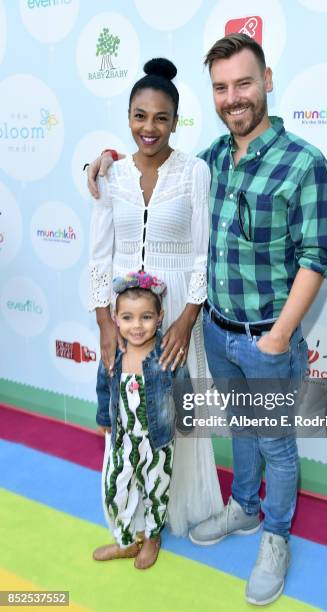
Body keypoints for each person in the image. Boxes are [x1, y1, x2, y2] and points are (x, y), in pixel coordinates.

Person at [87, 37, 327, 606]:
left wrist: (278, 337)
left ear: (267, 80)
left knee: (277, 442)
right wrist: (102, 161)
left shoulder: (306, 163)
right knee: (243, 431)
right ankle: (245, 509)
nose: (234, 98)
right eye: (222, 88)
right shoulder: (214, 159)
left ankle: (276, 537)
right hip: (219, 333)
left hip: (268, 338)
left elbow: (318, 257)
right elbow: (151, 159)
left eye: (244, 84)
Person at [88, 58, 223, 538]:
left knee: (176, 416)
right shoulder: (112, 175)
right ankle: (132, 517)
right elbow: (98, 257)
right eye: (140, 116)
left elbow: (201, 252)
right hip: (126, 321)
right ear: (128, 117)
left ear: (175, 121)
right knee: (128, 417)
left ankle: (175, 507)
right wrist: (105, 323)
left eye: (161, 117)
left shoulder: (195, 172)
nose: (150, 127)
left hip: (177, 314)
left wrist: (188, 319)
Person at [94, 271, 182, 568]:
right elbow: (104, 385)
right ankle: (126, 541)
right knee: (113, 488)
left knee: (156, 490)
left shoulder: (165, 353)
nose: (137, 326)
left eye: (146, 317)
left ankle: (153, 537)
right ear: (116, 319)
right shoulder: (114, 353)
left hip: (157, 441)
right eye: (128, 317)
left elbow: (182, 385)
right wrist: (102, 415)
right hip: (122, 437)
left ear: (160, 317)